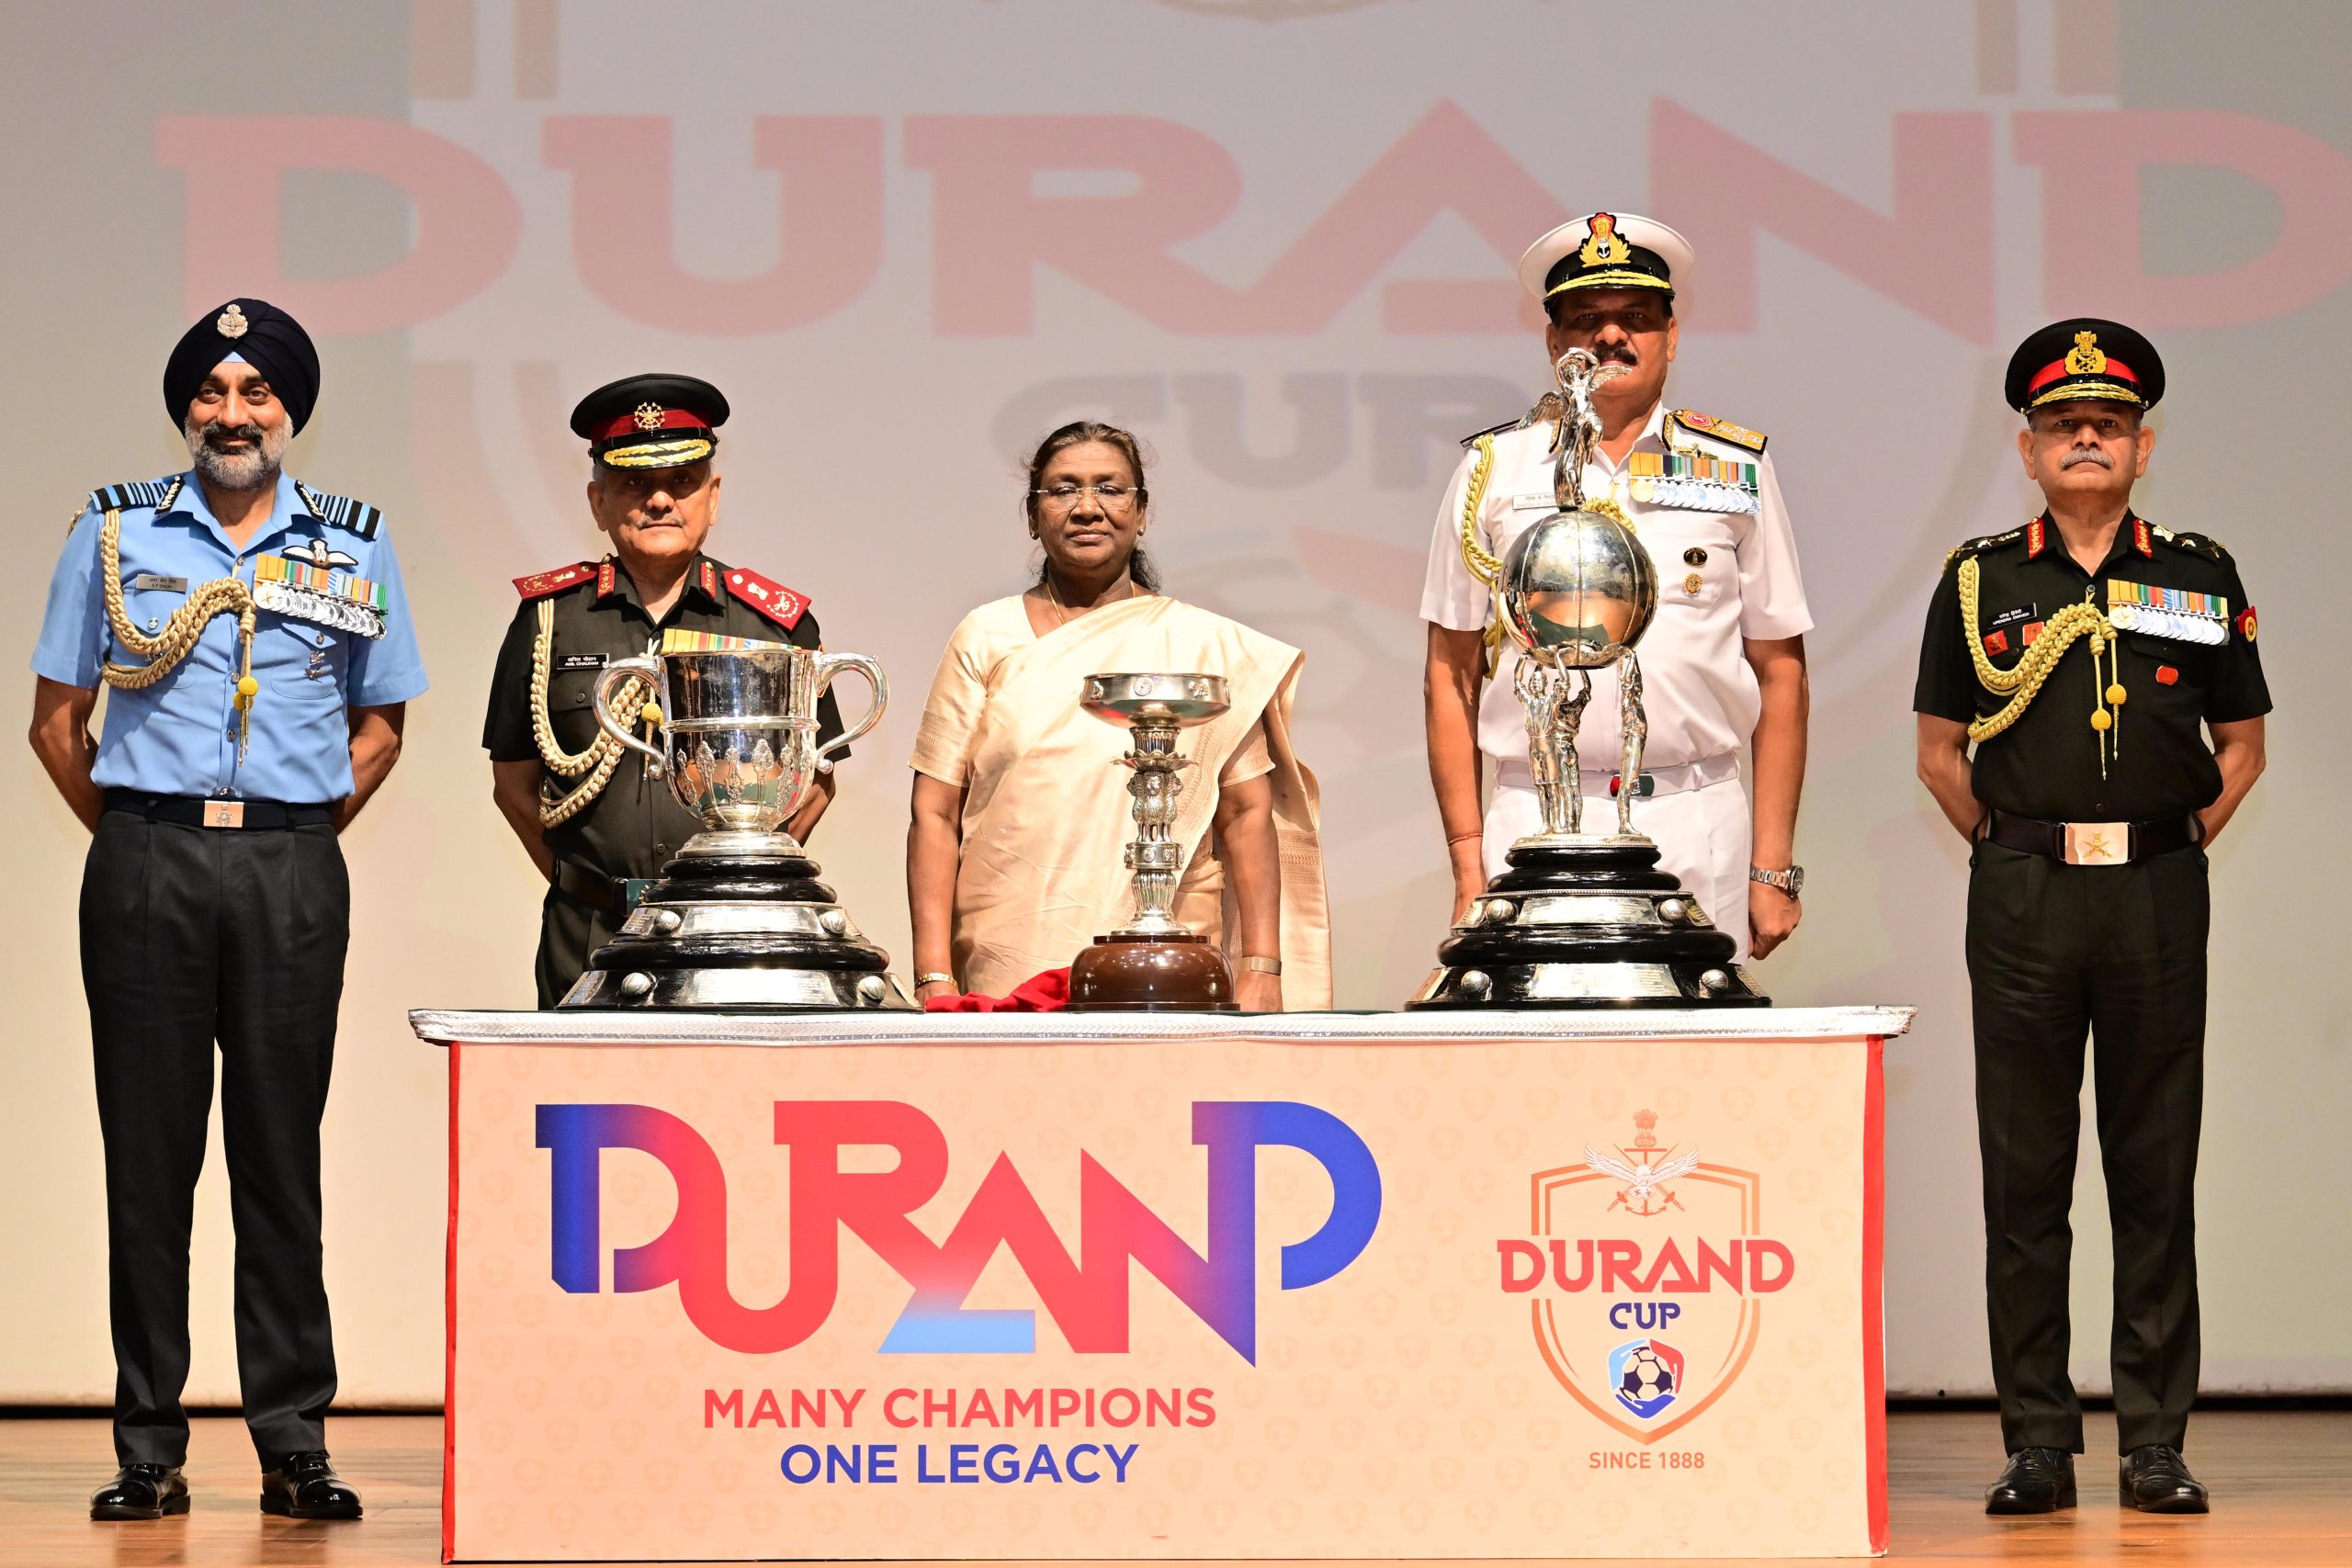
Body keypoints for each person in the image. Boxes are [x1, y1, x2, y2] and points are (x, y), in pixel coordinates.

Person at [28, 299, 427, 1522]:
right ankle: (147, 1445)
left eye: (257, 392)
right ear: (185, 408)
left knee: (279, 1156)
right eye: (212, 390)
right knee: (148, 1162)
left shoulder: (354, 544)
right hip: (146, 858)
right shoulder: (113, 531)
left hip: (290, 865)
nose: (233, 412)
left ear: (291, 410)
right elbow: (57, 722)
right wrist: (144, 837)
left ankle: (294, 1441)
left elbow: (381, 725)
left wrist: (288, 834)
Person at [1914, 320, 2267, 1517]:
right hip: (2024, 895)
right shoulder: (1979, 582)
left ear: (2141, 447)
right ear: (2027, 449)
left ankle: (2155, 1443)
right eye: (2062, 423)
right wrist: (2020, 843)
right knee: (2026, 1178)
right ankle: (2037, 1443)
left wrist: (2164, 840)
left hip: (2156, 892)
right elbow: (1940, 753)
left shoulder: (2199, 575)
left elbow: (2242, 745)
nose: (2084, 438)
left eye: (2107, 423)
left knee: (2154, 1173)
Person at [1420, 212, 1812, 963]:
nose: (1610, 335)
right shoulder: (1492, 471)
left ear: (1672, 336)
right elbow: (1450, 671)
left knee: (1697, 1038)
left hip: (1693, 817)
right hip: (1532, 818)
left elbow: (1781, 670)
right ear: (1552, 341)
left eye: (1635, 317)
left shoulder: (1735, 471)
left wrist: (1772, 866)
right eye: (1585, 320)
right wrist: (1468, 861)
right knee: (1539, 1035)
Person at [905, 421, 1329, 1010]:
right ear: (1033, 517)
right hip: (1010, 948)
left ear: (1142, 511)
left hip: (1170, 951)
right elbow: (934, 810)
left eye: (1109, 488)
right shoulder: (986, 635)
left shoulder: (1202, 645)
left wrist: (1261, 967)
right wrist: (933, 976)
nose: (1087, 508)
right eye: (1063, 490)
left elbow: (1245, 812)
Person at [483, 374, 844, 1007]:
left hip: (733, 933)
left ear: (713, 496)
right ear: (597, 501)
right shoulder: (549, 620)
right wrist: (586, 884)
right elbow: (513, 783)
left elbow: (815, 780)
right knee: (585, 1078)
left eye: (682, 481)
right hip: (588, 935)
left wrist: (739, 881)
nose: (659, 501)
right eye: (634, 484)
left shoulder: (773, 626)